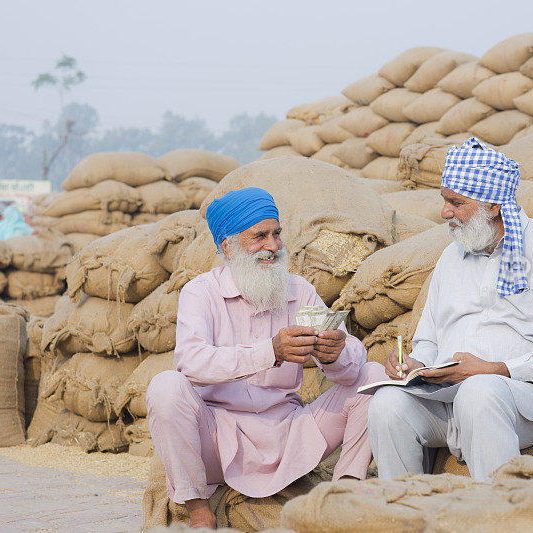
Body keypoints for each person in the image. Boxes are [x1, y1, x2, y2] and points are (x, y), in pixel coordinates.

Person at [146, 187, 384, 528]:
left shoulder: (298, 289)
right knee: (165, 387)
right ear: (228, 246)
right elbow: (191, 362)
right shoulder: (201, 291)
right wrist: (269, 352)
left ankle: (344, 495)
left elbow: (350, 370)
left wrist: (336, 353)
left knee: (372, 374)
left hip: (289, 434)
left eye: (276, 234)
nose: (272, 246)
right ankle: (198, 509)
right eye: (259, 236)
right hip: (218, 439)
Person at [367, 137, 533, 482]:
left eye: (456, 202)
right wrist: (416, 364)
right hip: (449, 396)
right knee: (386, 405)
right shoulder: (450, 257)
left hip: (528, 399)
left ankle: (495, 512)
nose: (444, 212)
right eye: (444, 200)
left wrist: (492, 369)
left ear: (493, 205)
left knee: (480, 390)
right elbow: (427, 340)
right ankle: (405, 512)